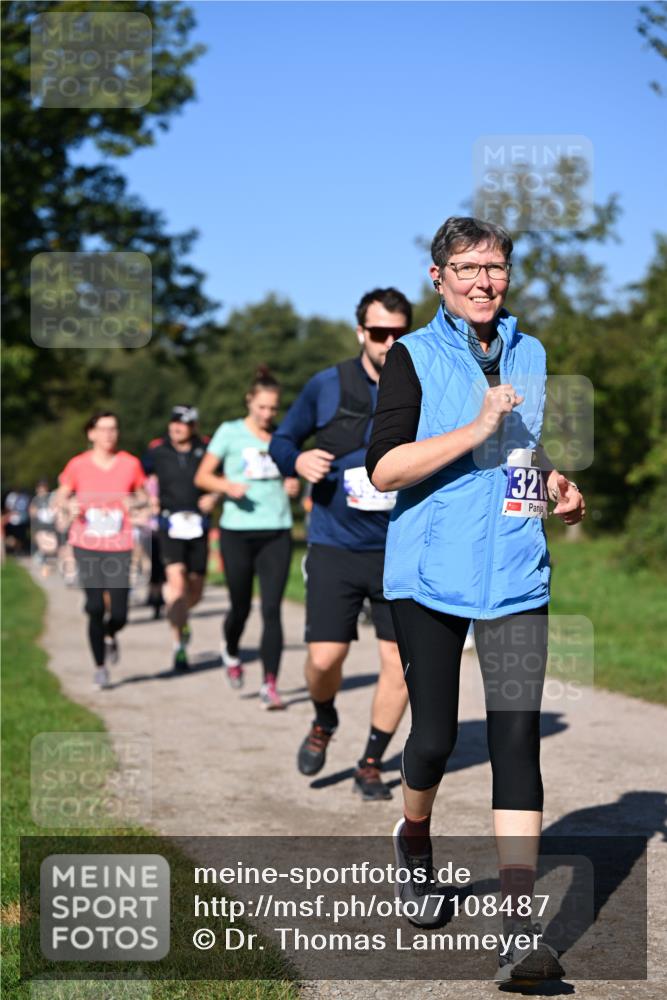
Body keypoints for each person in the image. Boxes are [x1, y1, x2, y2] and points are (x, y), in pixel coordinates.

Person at [367, 217, 586, 983]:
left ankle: (518, 932)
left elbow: (518, 446)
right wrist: (475, 425)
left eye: (492, 267)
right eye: (465, 268)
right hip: (429, 576)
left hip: (517, 573)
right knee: (430, 739)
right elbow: (386, 470)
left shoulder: (530, 351)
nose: (481, 281)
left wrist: (552, 483)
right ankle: (415, 840)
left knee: (515, 741)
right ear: (438, 279)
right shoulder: (411, 359)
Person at [269, 288, 411, 801]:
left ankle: (371, 762)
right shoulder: (327, 385)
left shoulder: (423, 385)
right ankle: (324, 718)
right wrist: (298, 461)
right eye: (379, 333)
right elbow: (282, 441)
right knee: (326, 659)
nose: (390, 342)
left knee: (400, 665)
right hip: (334, 546)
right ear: (361, 334)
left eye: (399, 332)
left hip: (401, 551)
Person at [195, 367, 299, 709]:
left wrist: (294, 484)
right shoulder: (229, 432)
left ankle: (270, 684)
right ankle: (232, 650)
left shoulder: (283, 436)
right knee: (240, 605)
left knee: (272, 609)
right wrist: (227, 486)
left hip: (277, 530)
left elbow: (294, 474)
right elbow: (203, 477)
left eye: (273, 408)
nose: (268, 414)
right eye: (262, 407)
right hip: (237, 531)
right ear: (249, 401)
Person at [55, 411, 148, 689]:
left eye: (114, 429)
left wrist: (137, 503)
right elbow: (62, 494)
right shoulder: (78, 465)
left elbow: (143, 495)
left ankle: (110, 634)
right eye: (103, 429)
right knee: (94, 605)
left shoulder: (130, 463)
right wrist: (67, 506)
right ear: (91, 433)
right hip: (87, 542)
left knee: (119, 613)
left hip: (119, 543)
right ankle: (99, 666)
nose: (109, 434)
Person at [143, 406, 217, 671]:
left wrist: (215, 497)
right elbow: (141, 476)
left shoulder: (207, 449)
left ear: (193, 426)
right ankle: (179, 647)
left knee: (194, 588)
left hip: (198, 524)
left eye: (183, 424)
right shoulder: (157, 450)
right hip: (169, 522)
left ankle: (182, 618)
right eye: (174, 422)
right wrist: (148, 497)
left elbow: (221, 476)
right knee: (176, 581)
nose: (177, 427)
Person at [29, 479, 58, 576]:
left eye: (44, 489)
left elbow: (56, 509)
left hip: (50, 526)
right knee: (44, 547)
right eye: (40, 489)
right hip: (40, 527)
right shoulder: (35, 500)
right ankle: (44, 565)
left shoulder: (51, 498)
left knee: (52, 548)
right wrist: (36, 513)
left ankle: (44, 561)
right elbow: (32, 512)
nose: (42, 491)